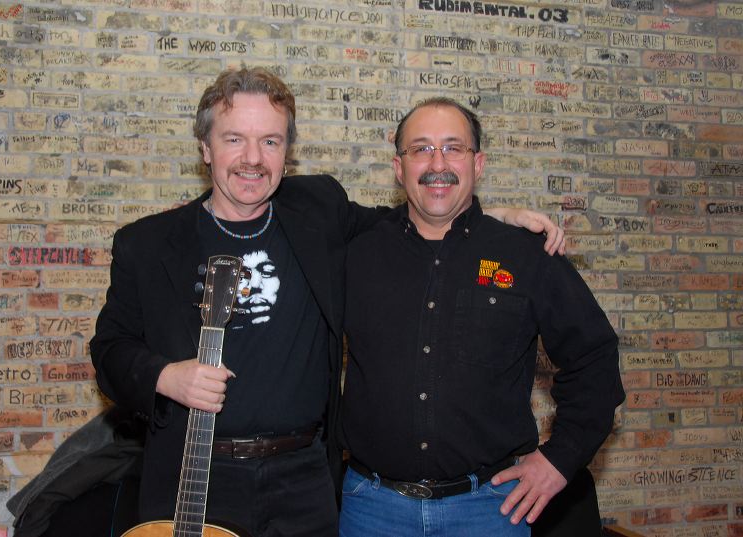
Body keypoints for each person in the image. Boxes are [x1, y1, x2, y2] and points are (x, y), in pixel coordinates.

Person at [89, 68, 565, 536]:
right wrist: (165, 377)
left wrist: (493, 218)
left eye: (270, 141)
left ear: (287, 153)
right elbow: (110, 349)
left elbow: (405, 223)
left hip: (303, 484)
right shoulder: (148, 244)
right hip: (194, 477)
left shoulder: (318, 210)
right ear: (205, 149)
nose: (253, 158)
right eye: (234, 139)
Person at [339, 97, 624, 537]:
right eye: (421, 149)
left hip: (490, 510)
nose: (438, 164)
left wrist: (559, 459)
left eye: (453, 148)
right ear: (399, 167)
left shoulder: (525, 254)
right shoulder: (357, 253)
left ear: (478, 164)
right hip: (372, 510)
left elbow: (594, 358)